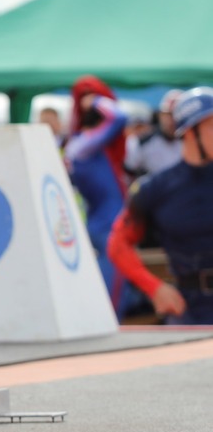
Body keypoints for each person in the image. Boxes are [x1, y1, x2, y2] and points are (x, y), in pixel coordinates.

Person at [107, 87, 213, 324]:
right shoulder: (156, 189)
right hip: (189, 313)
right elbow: (118, 244)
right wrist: (154, 287)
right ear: (190, 132)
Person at [65, 75, 132, 317]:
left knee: (117, 289)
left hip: (102, 222)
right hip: (108, 226)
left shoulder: (81, 145)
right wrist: (95, 101)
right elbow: (120, 117)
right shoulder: (84, 144)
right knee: (112, 300)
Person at [125, 89, 182, 180]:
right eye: (168, 114)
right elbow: (126, 173)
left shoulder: (192, 142)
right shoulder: (141, 141)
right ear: (160, 115)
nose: (172, 120)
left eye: (176, 114)